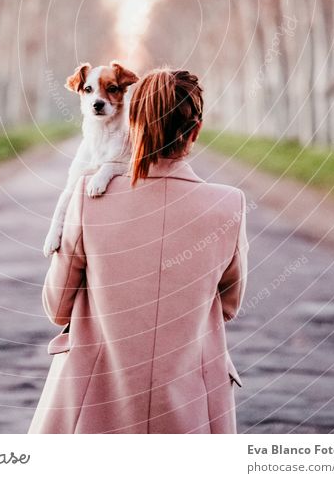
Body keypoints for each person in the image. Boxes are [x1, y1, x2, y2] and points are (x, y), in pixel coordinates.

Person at [29, 68, 249, 434]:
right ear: (195, 130)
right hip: (192, 410)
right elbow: (228, 305)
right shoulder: (229, 205)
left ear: (131, 122)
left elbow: (57, 307)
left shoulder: (87, 198)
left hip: (93, 409)